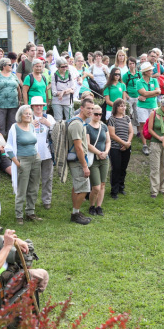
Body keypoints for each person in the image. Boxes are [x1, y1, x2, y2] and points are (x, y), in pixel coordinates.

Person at [7, 105, 42, 224]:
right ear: (20, 115)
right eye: (26, 113)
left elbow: (35, 142)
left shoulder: (31, 126)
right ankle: (19, 215)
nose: (28, 115)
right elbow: (8, 147)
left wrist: (37, 155)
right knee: (22, 188)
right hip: (23, 160)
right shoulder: (14, 127)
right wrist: (17, 162)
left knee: (34, 187)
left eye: (30, 114)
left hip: (35, 159)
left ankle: (30, 212)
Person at [67, 96, 94, 225]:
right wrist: (85, 166)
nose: (90, 111)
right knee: (84, 188)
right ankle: (75, 214)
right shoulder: (77, 124)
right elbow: (78, 147)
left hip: (78, 159)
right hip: (78, 160)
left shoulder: (81, 122)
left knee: (77, 187)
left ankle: (76, 212)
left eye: (92, 109)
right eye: (88, 108)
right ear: (81, 108)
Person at [30, 97, 55, 210]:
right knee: (33, 179)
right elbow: (20, 131)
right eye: (36, 105)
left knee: (47, 178)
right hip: (32, 153)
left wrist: (48, 124)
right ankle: (32, 201)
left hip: (47, 153)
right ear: (32, 106)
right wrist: (30, 125)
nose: (39, 107)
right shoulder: (28, 117)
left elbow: (58, 131)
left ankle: (47, 200)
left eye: (40, 105)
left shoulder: (48, 117)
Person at [147, 96, 164, 199]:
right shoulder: (154, 113)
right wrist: (159, 137)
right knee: (155, 167)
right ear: (162, 106)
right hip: (155, 143)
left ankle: (162, 188)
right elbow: (150, 129)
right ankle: (154, 190)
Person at [86, 103, 110, 216]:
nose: (98, 116)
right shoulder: (87, 127)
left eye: (100, 114)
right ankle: (91, 205)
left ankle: (99, 206)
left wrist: (106, 152)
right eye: (96, 114)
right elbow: (87, 144)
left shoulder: (104, 126)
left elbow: (108, 141)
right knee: (96, 187)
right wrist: (99, 153)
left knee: (103, 184)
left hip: (104, 158)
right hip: (94, 159)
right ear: (91, 114)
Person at [107, 98, 134, 199]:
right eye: (121, 106)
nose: (123, 108)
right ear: (116, 107)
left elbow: (131, 132)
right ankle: (114, 191)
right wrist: (124, 143)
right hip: (115, 147)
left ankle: (121, 187)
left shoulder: (127, 118)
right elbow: (112, 135)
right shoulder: (112, 119)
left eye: (124, 106)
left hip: (126, 147)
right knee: (116, 168)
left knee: (123, 168)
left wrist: (128, 143)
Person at [0, 57, 21, 137]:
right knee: (0, 123)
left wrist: (20, 100)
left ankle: (11, 139)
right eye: (9, 65)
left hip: (13, 103)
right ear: (3, 66)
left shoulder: (14, 76)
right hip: (0, 103)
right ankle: (1, 139)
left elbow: (18, 89)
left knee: (12, 123)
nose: (11, 66)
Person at [136, 61, 162, 157]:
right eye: (150, 70)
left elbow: (158, 92)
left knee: (153, 125)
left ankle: (152, 144)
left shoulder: (154, 80)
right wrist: (154, 93)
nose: (152, 71)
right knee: (143, 125)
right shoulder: (139, 82)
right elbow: (144, 93)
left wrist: (147, 95)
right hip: (142, 107)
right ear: (146, 72)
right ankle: (145, 145)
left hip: (153, 106)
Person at [50, 56, 78, 121]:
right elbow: (54, 92)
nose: (65, 68)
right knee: (58, 120)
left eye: (66, 66)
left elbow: (73, 88)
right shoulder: (54, 76)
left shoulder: (70, 74)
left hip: (68, 101)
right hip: (57, 101)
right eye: (62, 67)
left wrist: (63, 92)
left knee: (70, 119)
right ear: (57, 67)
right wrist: (68, 91)